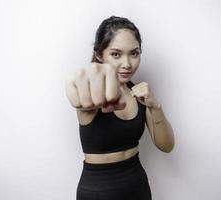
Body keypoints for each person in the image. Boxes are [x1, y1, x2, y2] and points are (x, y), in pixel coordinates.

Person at [65, 15, 175, 200]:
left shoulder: (138, 92)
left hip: (138, 186)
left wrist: (155, 106)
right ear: (99, 54)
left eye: (134, 53)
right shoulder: (95, 91)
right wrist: (76, 83)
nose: (127, 64)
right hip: (99, 192)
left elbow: (167, 146)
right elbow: (81, 87)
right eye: (116, 54)